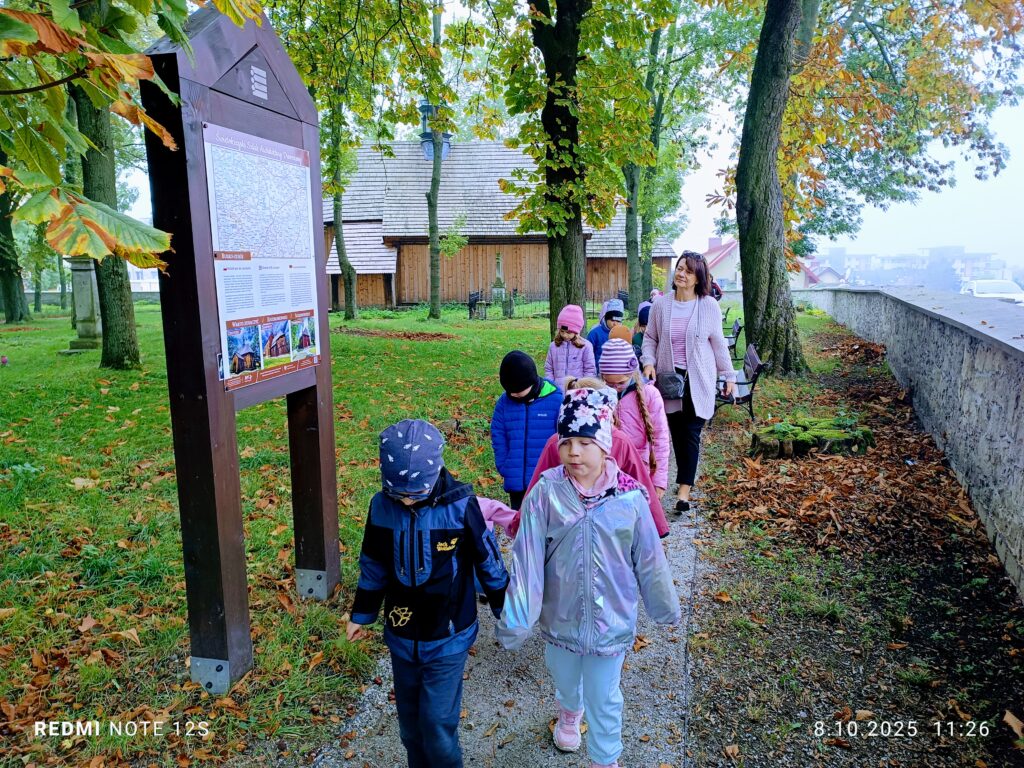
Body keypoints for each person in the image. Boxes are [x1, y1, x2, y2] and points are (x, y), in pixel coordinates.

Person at [496, 387, 680, 768]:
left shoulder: (630, 497)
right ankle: (568, 711)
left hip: (611, 620)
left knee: (605, 694)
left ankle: (604, 757)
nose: (574, 452)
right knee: (564, 677)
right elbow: (528, 556)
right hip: (559, 616)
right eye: (566, 442)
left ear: (606, 444)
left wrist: (663, 604)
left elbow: (649, 557)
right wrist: (518, 617)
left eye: (584, 441)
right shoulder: (545, 492)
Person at [347, 419, 510, 768]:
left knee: (437, 726)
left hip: (448, 636)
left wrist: (504, 607)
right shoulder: (381, 507)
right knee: (410, 729)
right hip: (402, 635)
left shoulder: (461, 506)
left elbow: (488, 559)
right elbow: (373, 563)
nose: (406, 500)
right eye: (398, 493)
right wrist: (362, 614)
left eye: (414, 493)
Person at [515, 377, 670, 540]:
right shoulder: (557, 443)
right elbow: (537, 488)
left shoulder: (620, 441)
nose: (574, 450)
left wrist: (656, 525)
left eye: (585, 443)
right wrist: (521, 524)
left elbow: (640, 483)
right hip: (567, 532)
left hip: (611, 531)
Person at [641, 251, 736, 513]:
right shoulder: (661, 305)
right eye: (680, 268)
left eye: (688, 271)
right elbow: (650, 338)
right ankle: (681, 477)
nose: (681, 274)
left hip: (698, 380)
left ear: (698, 278)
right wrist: (648, 362)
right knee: (676, 432)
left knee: (691, 434)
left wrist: (729, 375)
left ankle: (684, 490)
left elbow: (719, 344)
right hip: (669, 380)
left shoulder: (708, 306)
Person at [491, 350, 562, 510]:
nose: (514, 395)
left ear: (532, 382)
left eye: (518, 391)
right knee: (520, 524)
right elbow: (498, 434)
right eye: (510, 392)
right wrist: (504, 465)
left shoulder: (555, 400)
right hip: (516, 480)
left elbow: (562, 438)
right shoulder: (504, 402)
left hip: (546, 481)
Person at [599, 338, 670, 496]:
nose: (615, 388)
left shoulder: (650, 395)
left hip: (639, 471)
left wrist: (658, 480)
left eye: (620, 383)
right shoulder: (597, 395)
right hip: (605, 473)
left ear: (632, 373)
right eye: (609, 384)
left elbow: (661, 439)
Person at [544, 304, 596, 390]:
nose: (564, 335)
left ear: (576, 332)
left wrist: (583, 387)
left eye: (568, 332)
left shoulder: (586, 346)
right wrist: (551, 386)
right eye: (562, 331)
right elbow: (549, 369)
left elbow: (590, 370)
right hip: (557, 391)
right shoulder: (553, 346)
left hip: (577, 391)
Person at [586, 298, 624, 370]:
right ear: (606, 319)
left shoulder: (623, 334)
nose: (615, 323)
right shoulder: (595, 333)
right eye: (612, 320)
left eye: (618, 321)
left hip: (618, 372)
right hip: (599, 371)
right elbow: (588, 354)